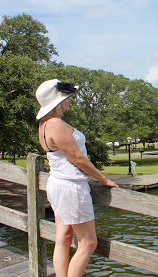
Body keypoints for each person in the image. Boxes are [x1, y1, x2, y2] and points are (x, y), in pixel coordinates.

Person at [36, 79, 119, 277]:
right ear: (59, 100)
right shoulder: (55, 123)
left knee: (63, 238)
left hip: (58, 184)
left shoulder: (44, 123)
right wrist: (103, 179)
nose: (70, 100)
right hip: (71, 187)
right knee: (88, 242)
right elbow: (77, 158)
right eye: (67, 97)